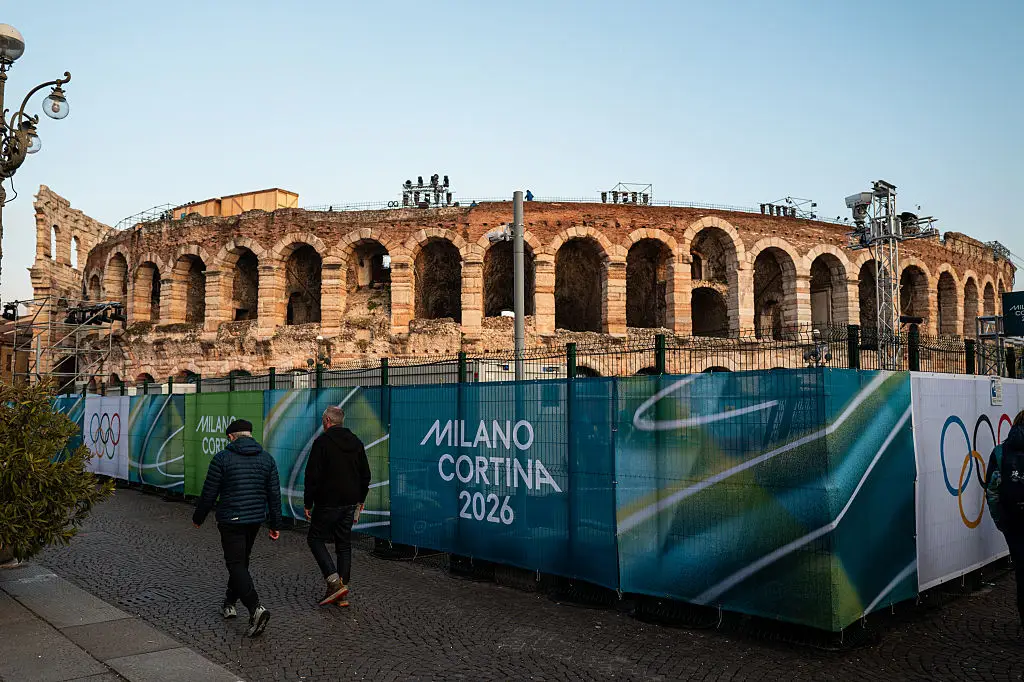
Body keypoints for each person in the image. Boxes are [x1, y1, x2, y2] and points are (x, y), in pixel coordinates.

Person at [192, 419, 282, 638]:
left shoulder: (222, 458)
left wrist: (199, 517)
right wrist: (275, 524)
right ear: (249, 435)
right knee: (241, 562)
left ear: (231, 437)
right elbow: (274, 494)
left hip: (231, 520)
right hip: (254, 520)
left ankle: (255, 608)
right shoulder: (266, 459)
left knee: (235, 564)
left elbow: (209, 492)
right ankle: (229, 603)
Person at [304, 406, 371, 607]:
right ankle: (342, 590)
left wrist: (308, 502)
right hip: (350, 501)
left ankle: (333, 582)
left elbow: (312, 475)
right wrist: (361, 499)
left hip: (327, 501)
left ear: (326, 420)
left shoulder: (322, 442)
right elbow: (365, 474)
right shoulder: (356, 442)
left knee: (315, 539)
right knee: (344, 544)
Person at [985, 410, 1024, 627]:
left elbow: (992, 491)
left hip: (1015, 520)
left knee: (1022, 573)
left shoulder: (1001, 452)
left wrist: (1001, 522)